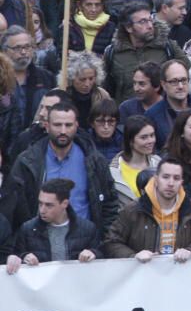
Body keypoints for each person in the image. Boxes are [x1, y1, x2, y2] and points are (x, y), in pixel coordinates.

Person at [10, 101, 118, 238]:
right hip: (40, 243)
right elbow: (15, 208)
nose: (63, 131)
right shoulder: (27, 161)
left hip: (85, 245)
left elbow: (110, 204)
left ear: (76, 126)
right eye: (57, 125)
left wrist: (103, 241)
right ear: (47, 126)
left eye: (68, 125)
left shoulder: (95, 161)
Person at [104, 157, 191, 262]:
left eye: (176, 178)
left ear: (181, 182)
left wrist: (190, 250)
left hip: (179, 273)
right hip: (142, 274)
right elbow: (111, 243)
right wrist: (133, 256)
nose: (171, 183)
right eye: (166, 177)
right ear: (156, 179)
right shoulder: (134, 209)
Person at [4, 179, 101, 274]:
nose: (42, 210)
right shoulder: (28, 229)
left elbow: (103, 259)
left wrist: (93, 254)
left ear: (64, 204)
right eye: (40, 203)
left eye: (49, 205)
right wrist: (23, 257)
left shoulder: (87, 229)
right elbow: (15, 255)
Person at [102, 3, 189, 104]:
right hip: (127, 112)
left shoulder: (167, 47)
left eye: (150, 20)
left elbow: (188, 73)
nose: (149, 26)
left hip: (163, 111)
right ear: (128, 28)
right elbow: (105, 88)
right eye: (142, 22)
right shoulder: (113, 53)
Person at [108, 115, 161, 207]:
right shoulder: (113, 171)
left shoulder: (160, 164)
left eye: (152, 135)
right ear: (130, 141)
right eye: (144, 137)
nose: (150, 141)